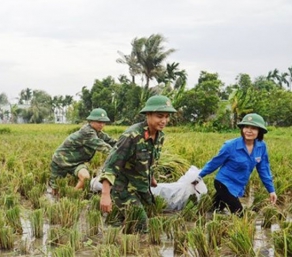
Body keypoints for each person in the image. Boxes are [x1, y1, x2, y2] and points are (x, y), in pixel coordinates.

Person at [99, 95, 177, 233]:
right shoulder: (132, 136)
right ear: (148, 114)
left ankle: (115, 242)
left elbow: (150, 160)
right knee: (142, 225)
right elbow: (110, 166)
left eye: (167, 116)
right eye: (160, 116)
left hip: (141, 188)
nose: (164, 121)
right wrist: (105, 195)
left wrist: (151, 177)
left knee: (124, 223)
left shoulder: (160, 136)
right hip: (124, 190)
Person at [195, 113, 277, 215]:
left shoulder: (261, 147)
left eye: (253, 128)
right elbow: (215, 162)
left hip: (238, 185)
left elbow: (264, 169)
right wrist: (199, 177)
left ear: (259, 131)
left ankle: (202, 219)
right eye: (246, 127)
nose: (249, 131)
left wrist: (271, 190)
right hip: (223, 183)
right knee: (239, 213)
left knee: (214, 210)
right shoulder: (231, 146)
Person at [50, 108, 117, 195]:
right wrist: (119, 155)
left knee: (85, 178)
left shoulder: (98, 132)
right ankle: (57, 201)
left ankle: (72, 196)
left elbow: (111, 141)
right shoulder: (87, 132)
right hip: (61, 161)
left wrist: (125, 145)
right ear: (91, 121)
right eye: (99, 122)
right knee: (55, 189)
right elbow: (102, 146)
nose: (102, 125)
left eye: (104, 122)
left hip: (77, 163)